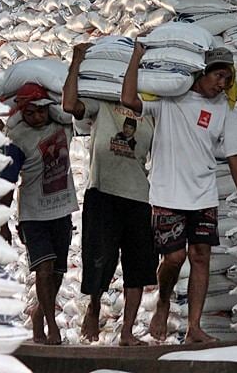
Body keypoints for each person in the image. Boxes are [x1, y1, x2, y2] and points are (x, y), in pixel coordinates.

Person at [121, 44, 237, 343]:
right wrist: (136, 57)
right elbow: (128, 99)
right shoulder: (170, 98)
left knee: (200, 257)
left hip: (204, 194)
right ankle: (164, 301)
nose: (222, 83)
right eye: (218, 75)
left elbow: (235, 155)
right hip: (167, 193)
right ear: (202, 73)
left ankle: (194, 327)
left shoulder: (223, 109)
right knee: (173, 257)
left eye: (227, 78)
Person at [62, 43, 158, 346]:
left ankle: (127, 332)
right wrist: (76, 61)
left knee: (138, 266)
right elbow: (68, 105)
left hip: (139, 197)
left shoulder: (151, 113)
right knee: (99, 259)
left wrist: (138, 59)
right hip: (103, 193)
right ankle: (93, 306)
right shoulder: (101, 105)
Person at [0, 83, 79, 345]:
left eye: (40, 112)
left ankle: (37, 314)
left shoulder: (63, 126)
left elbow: (73, 107)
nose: (36, 118)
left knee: (57, 273)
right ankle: (50, 324)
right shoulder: (17, 139)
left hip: (62, 210)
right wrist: (3, 224)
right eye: (30, 113)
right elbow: (8, 183)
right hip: (33, 215)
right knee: (43, 269)